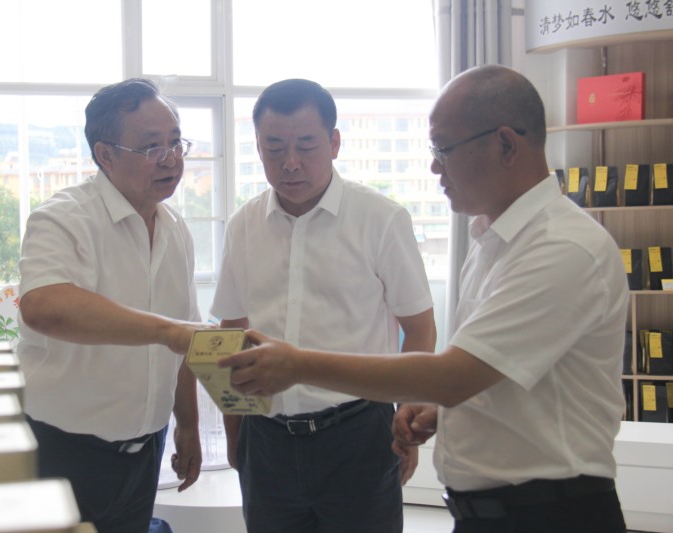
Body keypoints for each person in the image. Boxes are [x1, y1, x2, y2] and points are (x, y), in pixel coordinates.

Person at [220, 65, 629, 533]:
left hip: (549, 512)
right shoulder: (494, 242)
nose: (435, 167)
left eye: (443, 149)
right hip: (492, 508)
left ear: (505, 145)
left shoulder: (561, 248)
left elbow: (453, 374)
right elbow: (494, 374)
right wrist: (443, 412)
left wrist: (296, 365)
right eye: (274, 147)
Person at [210, 78, 436, 533]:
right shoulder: (243, 225)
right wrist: (236, 436)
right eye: (274, 148)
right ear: (258, 146)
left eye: (306, 146)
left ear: (334, 143)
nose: (290, 162)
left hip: (358, 433)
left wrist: (409, 412)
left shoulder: (380, 219)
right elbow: (232, 332)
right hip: (267, 438)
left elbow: (419, 327)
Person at [17, 78, 203, 532]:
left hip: (145, 450)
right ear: (105, 154)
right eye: (152, 147)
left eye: (176, 142)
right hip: (62, 449)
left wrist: (188, 425)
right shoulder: (63, 218)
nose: (171, 159)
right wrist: (166, 330)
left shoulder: (176, 229)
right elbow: (44, 306)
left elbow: (186, 341)